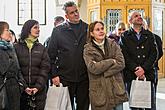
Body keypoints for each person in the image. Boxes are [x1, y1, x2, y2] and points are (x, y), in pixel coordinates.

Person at [48, 1, 89, 110]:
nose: (76, 14)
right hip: (65, 76)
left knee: (84, 107)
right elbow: (50, 55)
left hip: (84, 77)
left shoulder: (87, 28)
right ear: (66, 16)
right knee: (66, 107)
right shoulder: (58, 31)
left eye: (76, 11)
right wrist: (53, 75)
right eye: (72, 13)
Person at [83, 21, 128, 110]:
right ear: (92, 33)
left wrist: (103, 71)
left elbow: (121, 63)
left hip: (116, 88)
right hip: (100, 91)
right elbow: (93, 68)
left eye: (102, 29)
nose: (101, 31)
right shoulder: (88, 49)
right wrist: (111, 61)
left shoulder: (113, 44)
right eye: (97, 29)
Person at [120, 11, 157, 110]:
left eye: (140, 16)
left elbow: (154, 53)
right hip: (132, 74)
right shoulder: (124, 36)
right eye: (136, 16)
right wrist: (136, 69)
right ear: (130, 21)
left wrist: (143, 69)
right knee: (135, 106)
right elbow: (124, 55)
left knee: (150, 105)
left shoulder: (149, 35)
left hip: (147, 74)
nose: (139, 17)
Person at [14, 19, 50, 110]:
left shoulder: (42, 48)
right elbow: (15, 69)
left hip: (39, 92)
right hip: (21, 91)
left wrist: (37, 87)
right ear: (28, 29)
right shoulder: (16, 47)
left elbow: (45, 69)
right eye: (35, 27)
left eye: (39, 28)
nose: (38, 30)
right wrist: (25, 87)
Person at [0, 21, 28, 110]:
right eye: (7, 30)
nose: (10, 33)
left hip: (15, 88)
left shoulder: (11, 48)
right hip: (3, 88)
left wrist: (21, 84)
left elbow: (17, 69)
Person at [143, 19, 163, 92]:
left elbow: (159, 53)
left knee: (151, 92)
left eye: (142, 25)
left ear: (146, 26)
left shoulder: (155, 37)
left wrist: (148, 64)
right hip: (137, 70)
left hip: (151, 68)